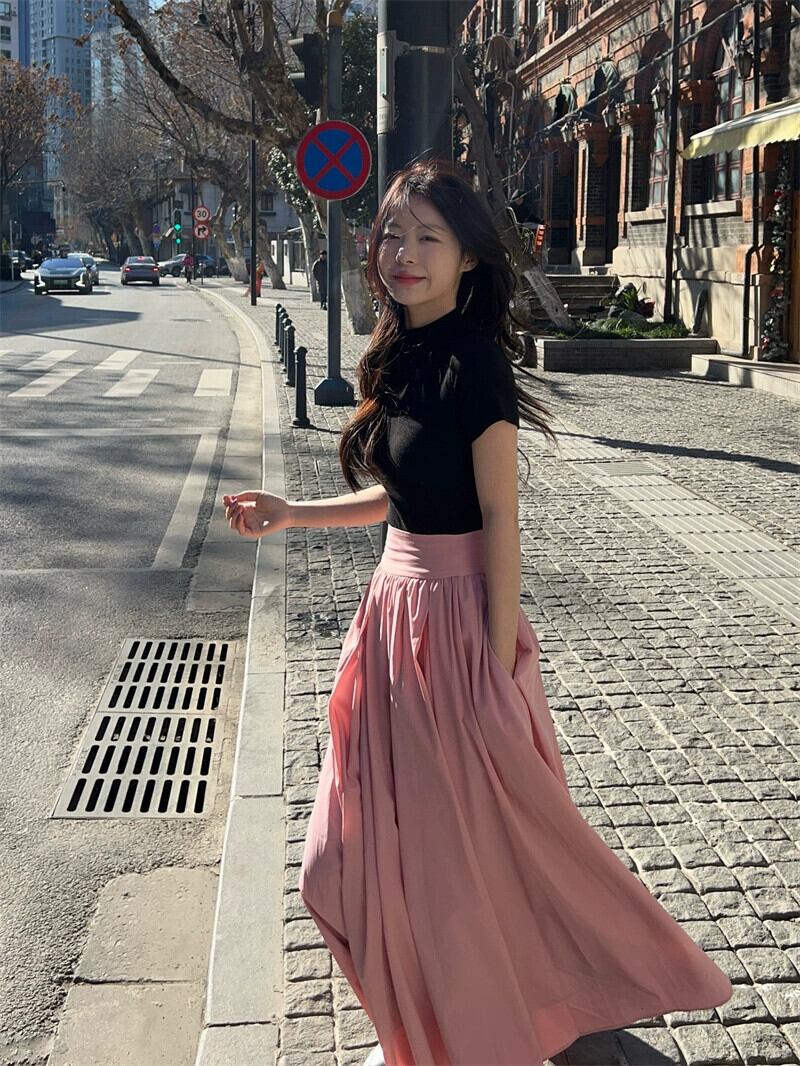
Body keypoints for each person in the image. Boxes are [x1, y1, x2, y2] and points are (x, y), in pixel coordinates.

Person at [222, 158, 732, 1066]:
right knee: (345, 857)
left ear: (467, 258)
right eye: (393, 234)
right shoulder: (397, 353)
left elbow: (499, 517)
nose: (405, 253)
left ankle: (493, 1022)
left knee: (460, 857)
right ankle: (442, 1018)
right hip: (392, 621)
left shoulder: (476, 363)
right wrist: (292, 513)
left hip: (455, 631)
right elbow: (401, 500)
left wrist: (495, 671)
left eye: (430, 237)